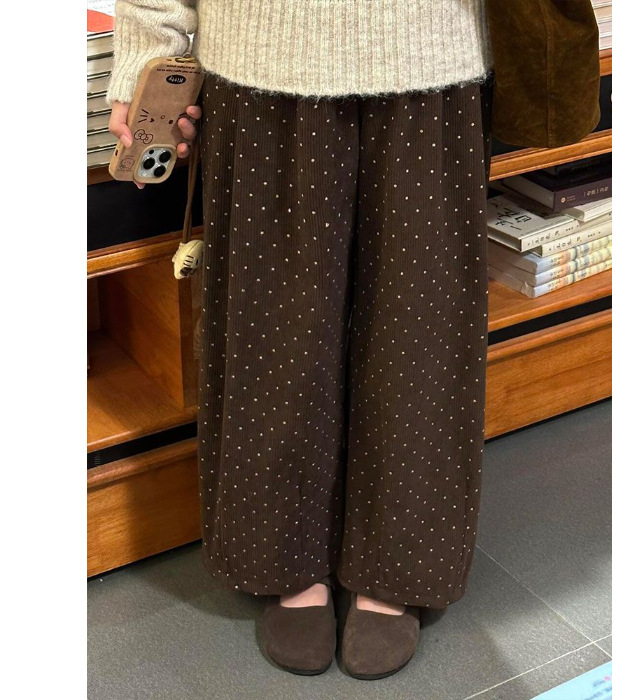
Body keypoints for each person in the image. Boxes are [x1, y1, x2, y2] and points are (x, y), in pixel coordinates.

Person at [108, 0, 493, 680]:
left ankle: (397, 563)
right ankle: (285, 559)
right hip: (261, 62)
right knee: (274, 339)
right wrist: (148, 52)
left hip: (433, 52)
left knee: (420, 336)